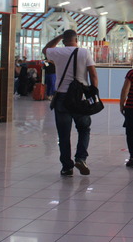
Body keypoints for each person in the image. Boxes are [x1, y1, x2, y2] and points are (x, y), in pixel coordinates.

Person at [43, 29, 98, 177]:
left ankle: (67, 167)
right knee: (84, 128)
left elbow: (45, 49)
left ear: (63, 40)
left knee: (63, 134)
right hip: (79, 97)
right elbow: (93, 74)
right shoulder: (84, 52)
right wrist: (94, 93)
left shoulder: (57, 52)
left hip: (61, 97)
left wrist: (59, 37)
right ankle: (80, 158)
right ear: (77, 39)